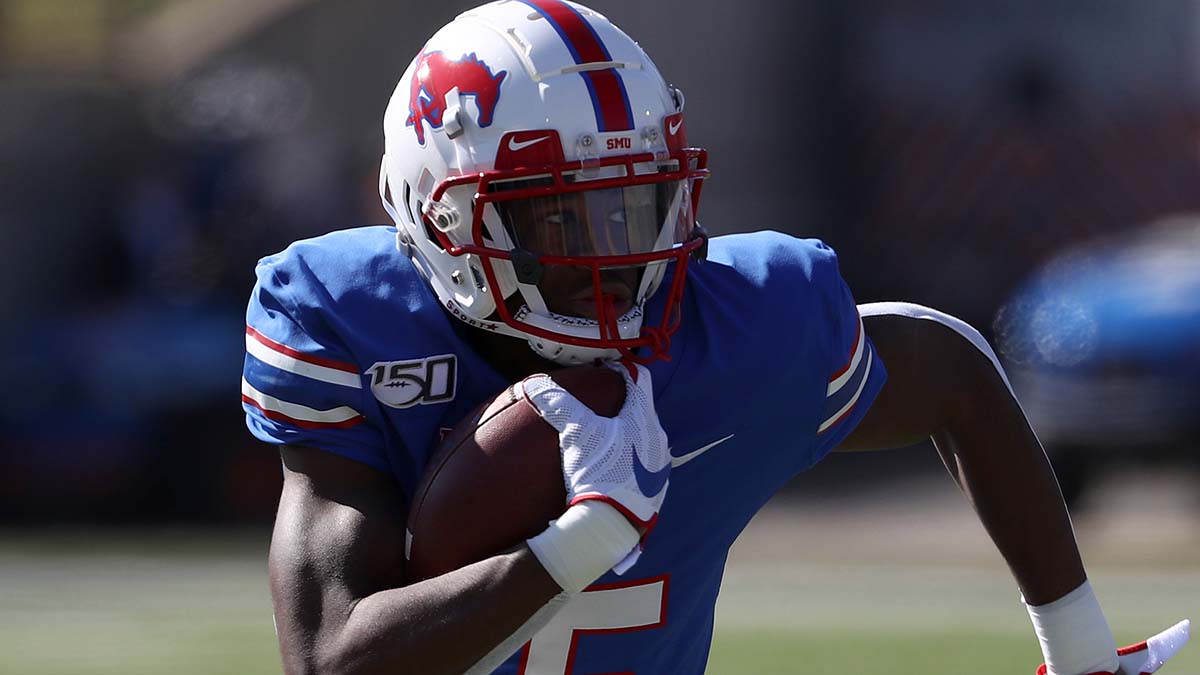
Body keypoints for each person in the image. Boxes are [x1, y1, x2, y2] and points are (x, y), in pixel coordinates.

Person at [241, 2, 1189, 673]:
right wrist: (580, 542)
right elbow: (331, 659)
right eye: (562, 223)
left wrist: (1080, 650)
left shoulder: (736, 322)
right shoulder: (351, 322)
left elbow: (953, 371)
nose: (611, 260)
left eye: (633, 208)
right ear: (435, 219)